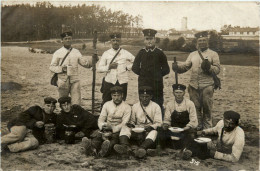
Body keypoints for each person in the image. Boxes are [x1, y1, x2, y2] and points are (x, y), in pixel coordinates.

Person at [172, 31, 220, 130]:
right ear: (197, 42)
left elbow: (217, 69)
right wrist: (177, 67)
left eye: (204, 40)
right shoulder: (192, 54)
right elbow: (185, 67)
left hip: (207, 86)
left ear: (207, 41)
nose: (202, 42)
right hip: (193, 86)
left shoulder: (213, 54)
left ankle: (207, 130)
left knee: (207, 110)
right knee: (195, 109)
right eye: (200, 41)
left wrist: (209, 67)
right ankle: (198, 129)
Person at [49, 29, 98, 105]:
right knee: (63, 102)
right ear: (62, 40)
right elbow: (52, 67)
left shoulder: (76, 52)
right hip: (63, 81)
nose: (68, 40)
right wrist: (62, 69)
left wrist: (94, 60)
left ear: (72, 39)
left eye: (69, 38)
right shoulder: (58, 52)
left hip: (75, 81)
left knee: (76, 103)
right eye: (66, 39)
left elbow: (85, 64)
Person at [114, 86, 162, 159]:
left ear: (151, 97)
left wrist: (151, 127)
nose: (144, 99)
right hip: (137, 129)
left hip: (149, 130)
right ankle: (125, 147)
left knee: (154, 132)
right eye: (142, 96)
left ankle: (142, 148)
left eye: (147, 96)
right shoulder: (135, 106)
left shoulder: (156, 106)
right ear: (139, 96)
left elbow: (159, 122)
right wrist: (131, 125)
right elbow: (133, 121)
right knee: (125, 128)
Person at [82, 86, 131, 157]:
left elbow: (124, 123)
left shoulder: (127, 107)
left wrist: (113, 128)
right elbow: (101, 119)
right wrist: (103, 127)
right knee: (98, 136)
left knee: (113, 140)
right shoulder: (107, 104)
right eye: (114, 95)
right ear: (111, 96)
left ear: (122, 95)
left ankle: (103, 152)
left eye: (118, 95)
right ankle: (92, 149)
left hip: (118, 130)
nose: (116, 98)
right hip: (106, 128)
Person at [132, 29, 170, 112]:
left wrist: (157, 75)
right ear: (144, 40)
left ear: (155, 40)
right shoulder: (141, 52)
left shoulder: (160, 53)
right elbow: (134, 68)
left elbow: (166, 69)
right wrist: (143, 74)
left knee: (158, 102)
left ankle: (158, 122)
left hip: (156, 83)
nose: (149, 41)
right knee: (144, 102)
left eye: (151, 39)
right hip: (144, 82)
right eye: (147, 39)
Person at [158, 84, 198, 159]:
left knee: (192, 135)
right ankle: (161, 149)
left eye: (180, 92)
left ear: (184, 93)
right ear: (173, 93)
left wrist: (185, 128)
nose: (178, 95)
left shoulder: (190, 104)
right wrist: (167, 125)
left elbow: (194, 121)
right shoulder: (169, 104)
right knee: (161, 131)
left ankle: (186, 151)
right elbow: (167, 119)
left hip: (185, 129)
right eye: (176, 92)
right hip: (173, 129)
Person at [97, 32, 135, 108]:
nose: (115, 42)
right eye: (113, 40)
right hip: (109, 81)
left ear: (120, 41)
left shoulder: (125, 53)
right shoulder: (106, 53)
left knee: (122, 103)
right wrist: (109, 67)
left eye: (117, 40)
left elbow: (136, 61)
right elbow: (99, 69)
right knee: (106, 102)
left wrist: (127, 67)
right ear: (111, 41)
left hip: (122, 81)